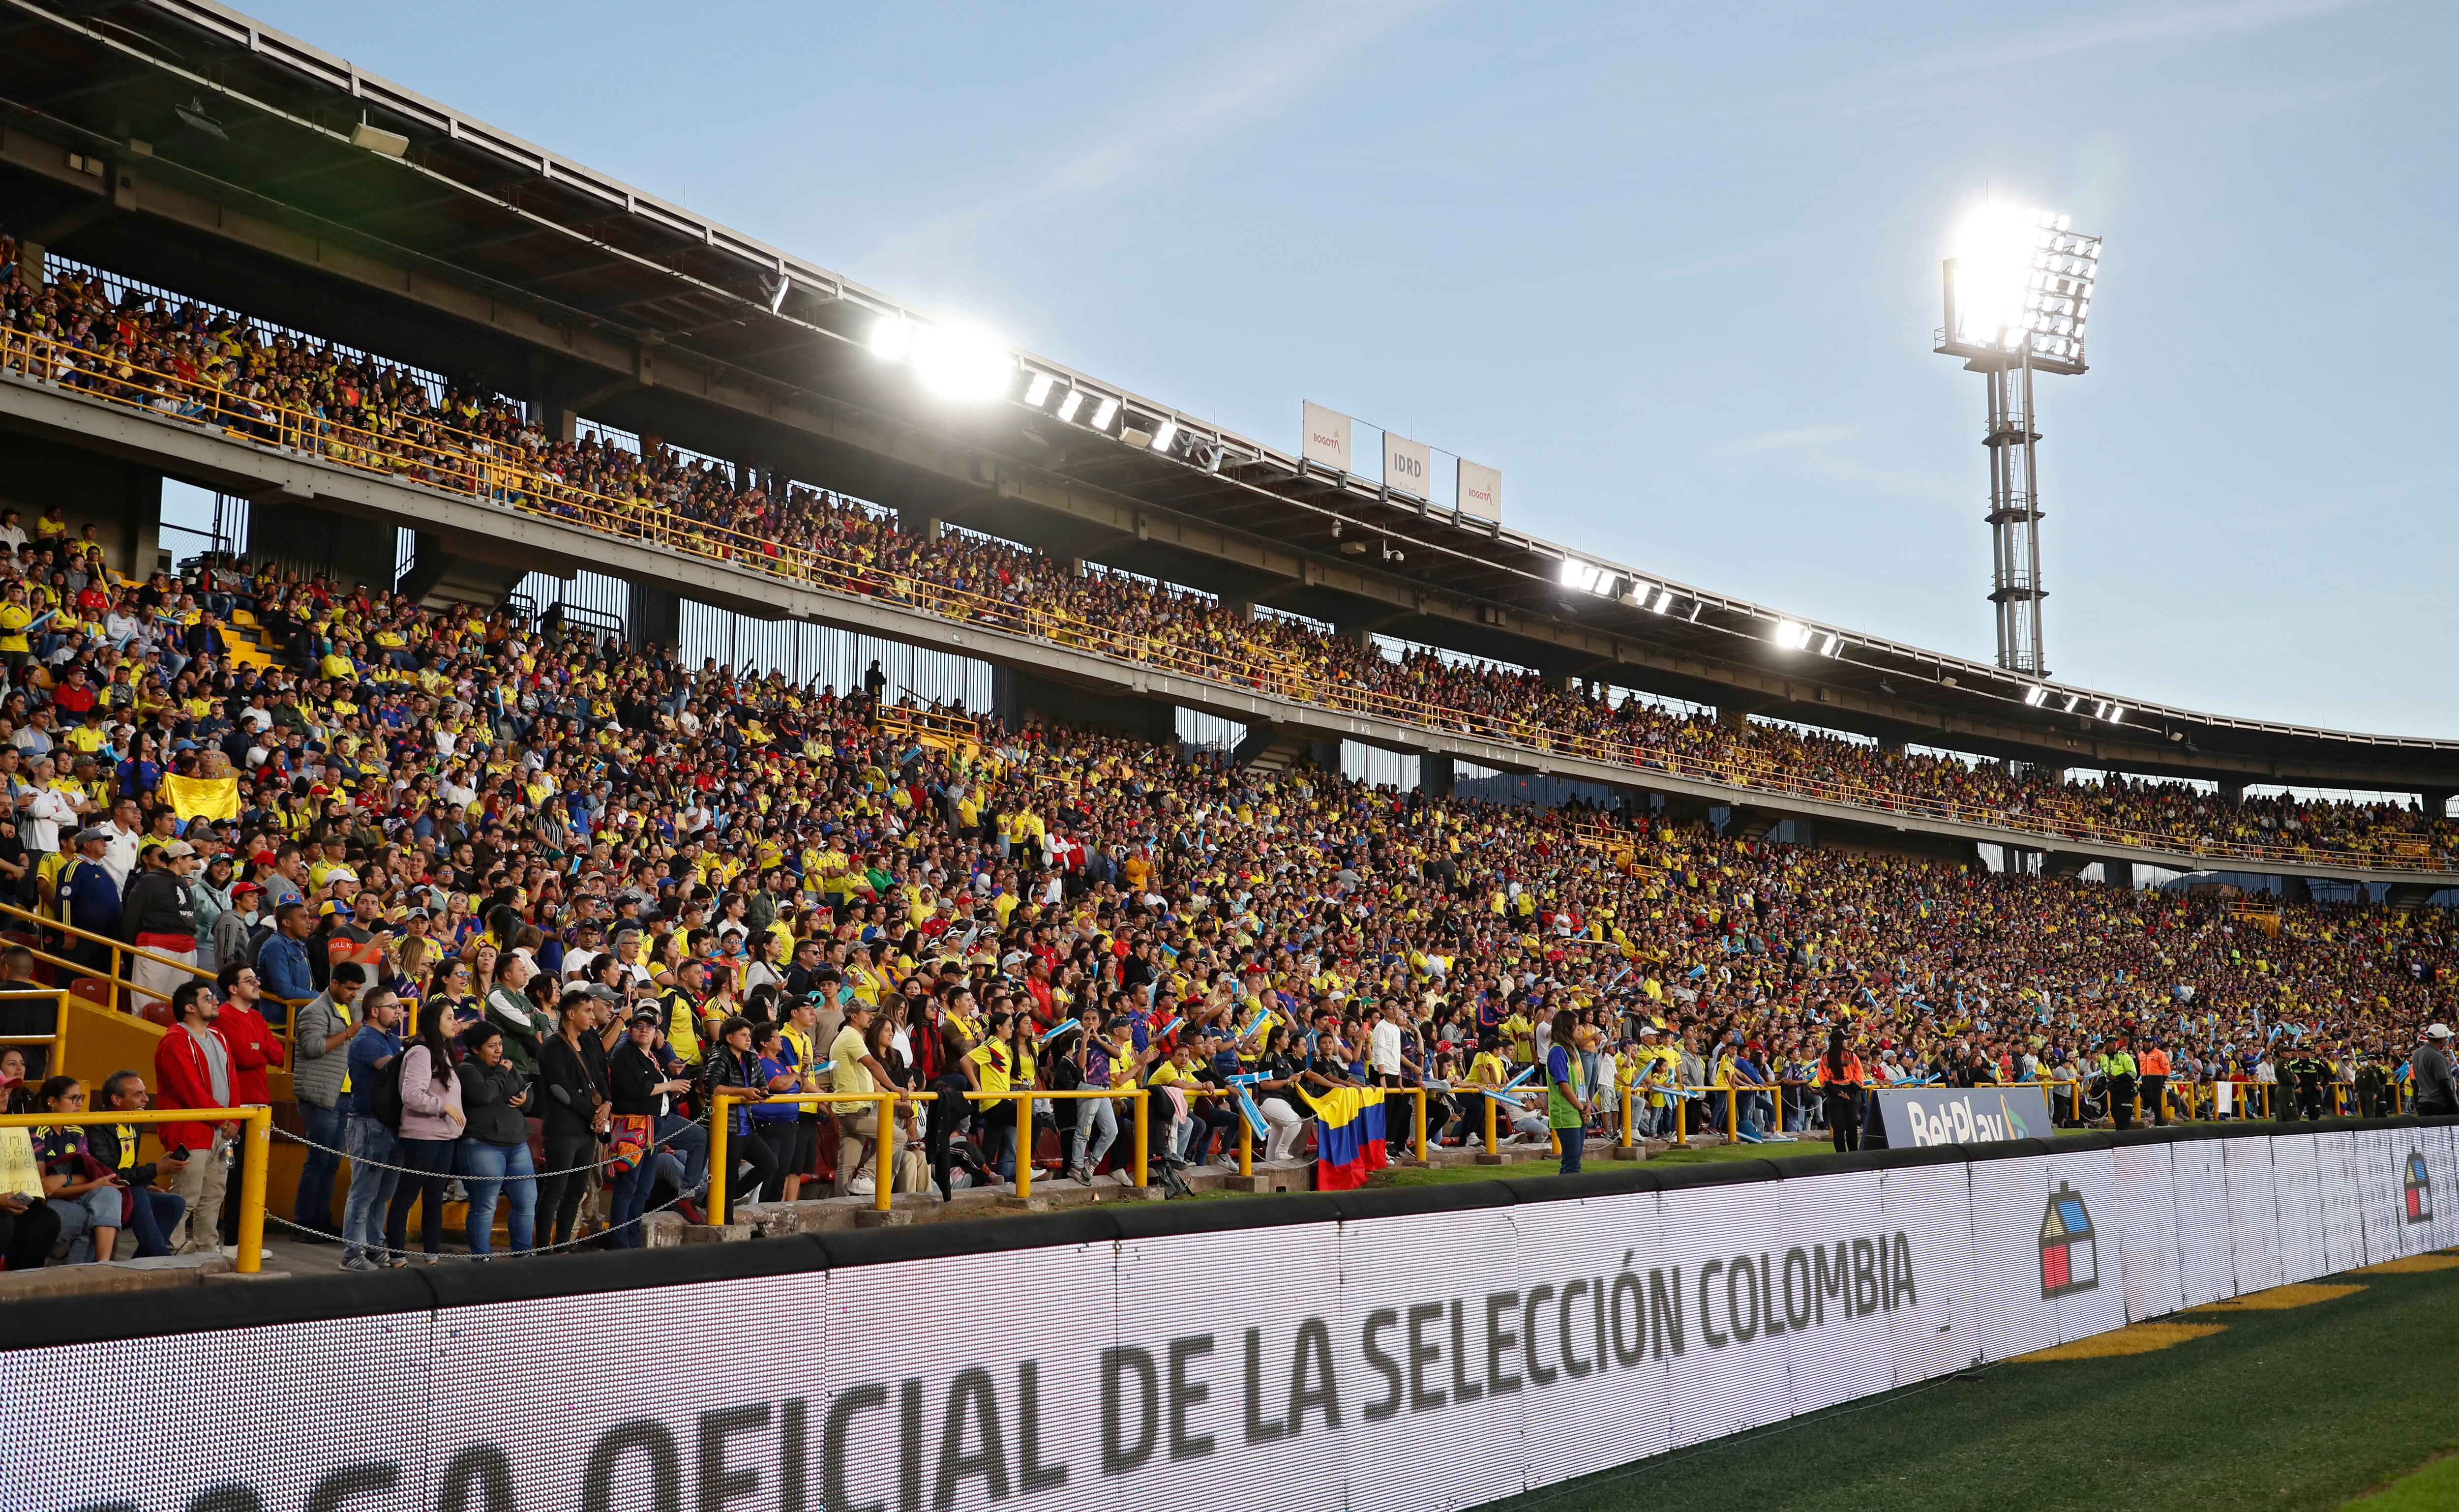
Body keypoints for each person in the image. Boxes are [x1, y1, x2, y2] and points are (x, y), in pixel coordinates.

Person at [151, 979, 236, 1254]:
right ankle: (173, 1246)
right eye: (207, 998)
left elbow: (232, 1080)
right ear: (189, 1007)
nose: (215, 1001)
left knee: (215, 1193)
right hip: (190, 1132)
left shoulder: (220, 1037)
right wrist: (225, 1120)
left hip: (222, 1132)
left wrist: (234, 1119)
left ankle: (206, 1246)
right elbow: (191, 1092)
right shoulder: (175, 1041)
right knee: (187, 1194)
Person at [289, 960, 365, 1239]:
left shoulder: (355, 1008)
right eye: (349, 989)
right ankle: (304, 1223)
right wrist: (347, 1033)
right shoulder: (314, 1011)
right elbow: (311, 1048)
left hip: (346, 1095)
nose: (354, 994)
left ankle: (321, 1221)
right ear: (334, 984)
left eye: (357, 989)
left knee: (332, 1163)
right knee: (318, 1161)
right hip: (321, 1096)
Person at [386, 1000, 464, 1265]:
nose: (455, 1022)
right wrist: (445, 1108)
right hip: (421, 1136)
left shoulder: (444, 1051)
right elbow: (411, 1095)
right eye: (449, 1018)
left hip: (445, 1136)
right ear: (434, 1023)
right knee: (407, 1196)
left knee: (434, 1198)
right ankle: (396, 1254)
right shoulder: (421, 1052)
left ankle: (432, 1255)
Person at [607, 1007, 692, 1247]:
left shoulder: (654, 1059)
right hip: (632, 1126)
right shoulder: (624, 1055)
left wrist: (673, 1089)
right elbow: (639, 1090)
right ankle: (619, 1241)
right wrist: (670, 1085)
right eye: (639, 1026)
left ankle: (633, 1238)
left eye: (649, 1026)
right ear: (631, 1030)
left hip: (654, 1125)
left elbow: (659, 1095)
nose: (644, 1030)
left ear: (656, 1032)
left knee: (643, 1188)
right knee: (628, 1186)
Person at [537, 988, 611, 1249]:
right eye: (587, 1011)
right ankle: (543, 1248)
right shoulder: (552, 1047)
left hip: (588, 1130)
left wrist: (607, 1105)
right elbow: (561, 1090)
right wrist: (594, 1112)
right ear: (571, 1014)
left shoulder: (588, 1042)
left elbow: (600, 1078)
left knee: (577, 1191)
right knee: (554, 1189)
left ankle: (562, 1245)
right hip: (563, 1129)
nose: (592, 1016)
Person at [455, 1023, 536, 1260]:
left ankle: (523, 1254)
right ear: (475, 1049)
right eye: (492, 1046)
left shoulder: (507, 1068)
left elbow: (529, 1098)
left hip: (517, 1142)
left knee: (526, 1201)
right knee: (485, 1205)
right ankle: (482, 1259)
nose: (499, 1050)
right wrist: (502, 1072)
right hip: (483, 1145)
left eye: (500, 1044)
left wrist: (525, 1100)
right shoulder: (467, 1069)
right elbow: (483, 1094)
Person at [339, 987, 406, 1271]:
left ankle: (375, 1246)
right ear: (375, 1011)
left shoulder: (391, 1038)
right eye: (393, 1007)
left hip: (389, 1124)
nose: (400, 1011)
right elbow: (392, 1070)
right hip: (368, 1123)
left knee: (382, 1194)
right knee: (363, 1193)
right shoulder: (367, 1038)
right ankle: (352, 1253)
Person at [90, 1069, 188, 1257]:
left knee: (175, 1202)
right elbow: (111, 1173)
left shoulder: (134, 1120)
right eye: (138, 1095)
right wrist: (157, 1169)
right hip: (105, 1193)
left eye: (144, 1093)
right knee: (137, 1192)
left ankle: (143, 1260)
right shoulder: (96, 1126)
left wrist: (148, 1183)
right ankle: (161, 1257)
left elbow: (130, 1165)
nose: (146, 1099)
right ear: (116, 1100)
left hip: (127, 1190)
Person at [32, 1076, 120, 1262]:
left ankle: (102, 1265)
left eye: (81, 1098)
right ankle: (81, 1276)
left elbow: (86, 1173)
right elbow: (45, 1189)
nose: (79, 1104)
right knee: (94, 1221)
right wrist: (90, 1185)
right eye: (73, 1098)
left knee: (110, 1194)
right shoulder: (37, 1132)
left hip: (71, 1195)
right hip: (45, 1204)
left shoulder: (76, 1131)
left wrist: (64, 1178)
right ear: (52, 1102)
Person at [831, 997, 894, 1197]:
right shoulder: (851, 1036)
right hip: (854, 1108)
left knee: (847, 1164)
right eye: (867, 1012)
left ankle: (841, 1205)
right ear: (854, 1016)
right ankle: (865, 1177)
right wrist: (893, 1088)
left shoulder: (850, 1036)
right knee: (896, 1137)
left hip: (850, 1107)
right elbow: (873, 1065)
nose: (871, 1016)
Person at [1545, 1008, 1589, 1175]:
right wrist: (1581, 1107)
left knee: (1575, 1160)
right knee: (1571, 1163)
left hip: (1579, 1111)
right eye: (1576, 1025)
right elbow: (1563, 1085)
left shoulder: (1574, 1051)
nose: (1580, 1029)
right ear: (1566, 1028)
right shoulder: (1558, 1051)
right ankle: (1568, 1197)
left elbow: (1581, 1081)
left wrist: (1588, 1104)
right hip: (1567, 1113)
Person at [1821, 1027, 1864, 1154]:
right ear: (1840, 1042)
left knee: (1838, 1129)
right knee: (1852, 1127)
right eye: (1844, 1040)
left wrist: (1837, 1092)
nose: (1847, 1042)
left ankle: (1840, 1156)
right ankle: (1853, 1154)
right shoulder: (1852, 1056)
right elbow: (1859, 1075)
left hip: (1834, 1096)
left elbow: (1822, 1077)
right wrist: (1850, 1092)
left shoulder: (1824, 1058)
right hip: (1851, 1095)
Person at [2413, 1024, 2459, 1116]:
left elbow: (2415, 1081)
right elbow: (2444, 1086)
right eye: (2446, 1039)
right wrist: (2456, 1110)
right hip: (2439, 1106)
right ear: (2443, 1040)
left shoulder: (2417, 1053)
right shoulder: (2437, 1057)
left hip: (2423, 1102)